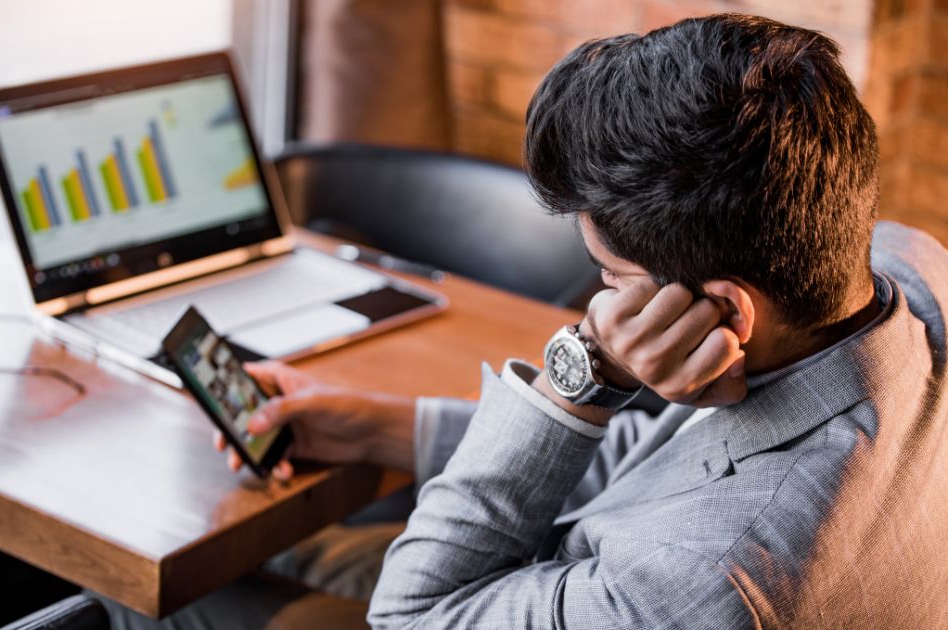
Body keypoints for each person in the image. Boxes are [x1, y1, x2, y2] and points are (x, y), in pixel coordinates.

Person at [101, 12, 948, 629]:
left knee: (147, 600)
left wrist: (585, 371)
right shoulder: (911, 271)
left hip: (548, 588)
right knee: (267, 542)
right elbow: (671, 467)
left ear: (724, 309)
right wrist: (378, 430)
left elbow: (415, 614)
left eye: (610, 277)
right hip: (583, 557)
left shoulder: (706, 589)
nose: (598, 305)